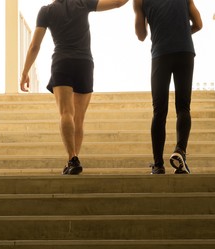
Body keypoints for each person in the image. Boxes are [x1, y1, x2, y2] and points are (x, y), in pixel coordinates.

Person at [20, 0, 129, 175]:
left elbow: (35, 45)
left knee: (66, 113)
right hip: (84, 63)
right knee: (78, 118)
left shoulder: (46, 11)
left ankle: (72, 158)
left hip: (62, 62)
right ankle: (74, 158)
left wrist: (25, 71)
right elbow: (117, 3)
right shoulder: (83, 3)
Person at [133, 0, 202, 174]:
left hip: (161, 54)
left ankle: (158, 165)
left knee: (159, 110)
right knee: (183, 107)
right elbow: (199, 24)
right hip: (185, 51)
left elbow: (141, 35)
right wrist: (183, 34)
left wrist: (139, 11)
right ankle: (180, 152)